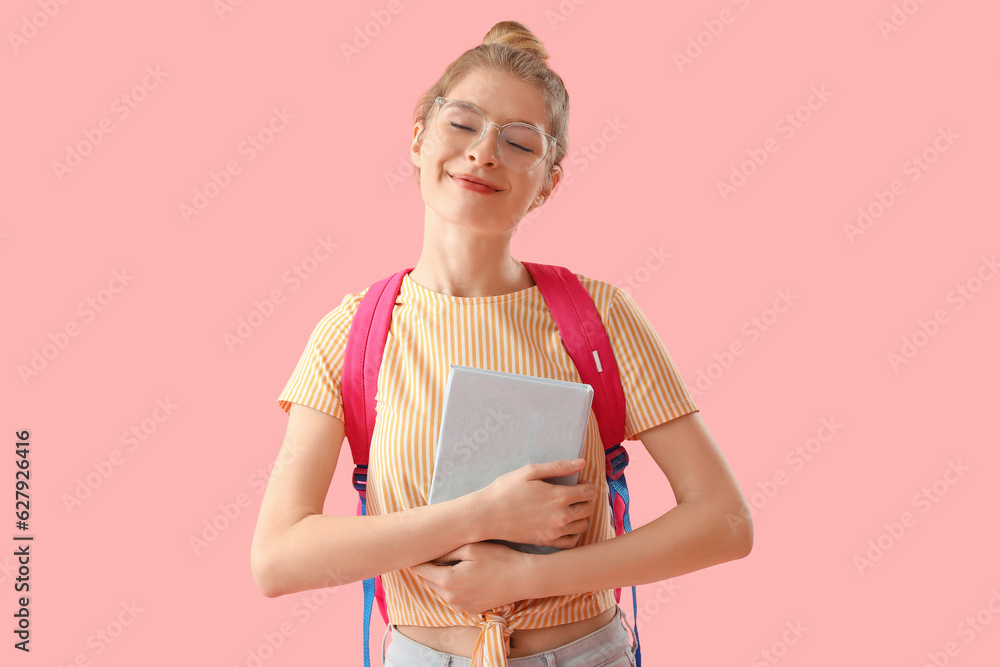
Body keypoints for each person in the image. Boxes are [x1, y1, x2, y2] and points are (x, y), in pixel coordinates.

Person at [250, 20, 753, 667]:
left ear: (548, 180)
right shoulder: (350, 332)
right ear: (417, 136)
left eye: (519, 141)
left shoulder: (598, 316)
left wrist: (525, 578)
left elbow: (724, 520)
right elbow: (277, 558)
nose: (484, 152)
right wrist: (482, 513)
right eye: (462, 125)